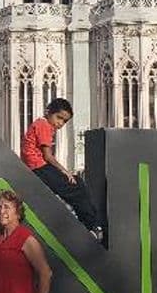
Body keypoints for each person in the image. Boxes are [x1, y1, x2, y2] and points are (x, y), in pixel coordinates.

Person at [20, 98, 103, 242]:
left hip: (38, 166)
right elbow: (48, 156)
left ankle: (90, 224)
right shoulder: (43, 125)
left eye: (64, 121)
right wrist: (65, 171)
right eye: (59, 118)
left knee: (77, 185)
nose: (60, 123)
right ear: (48, 112)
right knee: (76, 187)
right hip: (39, 167)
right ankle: (92, 225)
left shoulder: (41, 124)